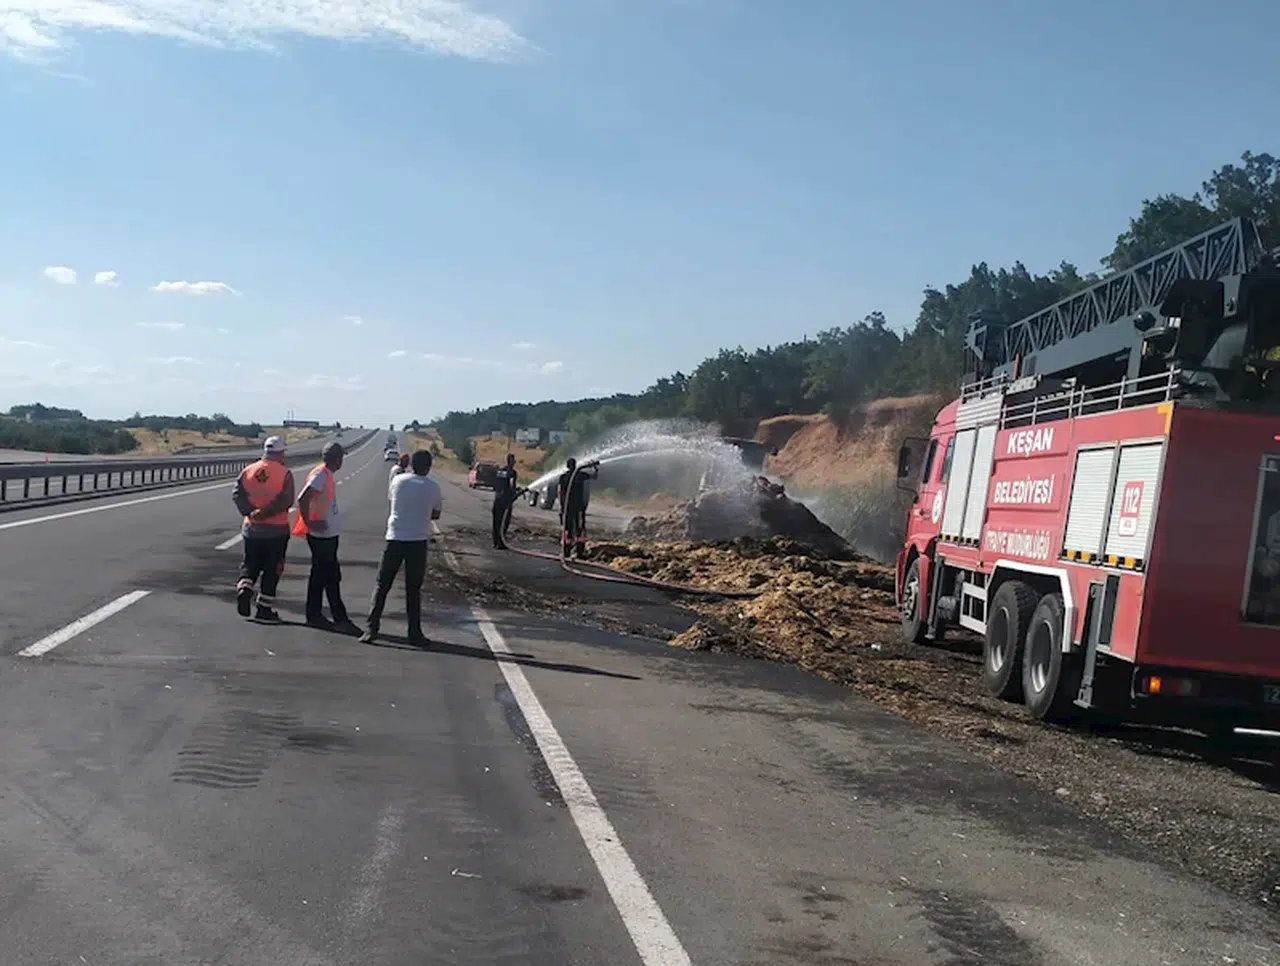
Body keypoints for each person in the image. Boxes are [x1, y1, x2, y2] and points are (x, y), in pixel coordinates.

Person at [361, 449, 443, 645]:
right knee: (413, 589)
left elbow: (393, 501)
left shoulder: (398, 480)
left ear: (412, 464)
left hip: (395, 538)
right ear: (428, 467)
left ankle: (371, 628)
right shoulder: (433, 487)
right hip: (417, 541)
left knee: (382, 585)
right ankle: (414, 633)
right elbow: (436, 514)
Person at [293, 441, 361, 634]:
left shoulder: (325, 474)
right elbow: (303, 498)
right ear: (336, 459)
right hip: (321, 535)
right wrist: (309, 522)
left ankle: (332, 616)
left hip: (327, 534)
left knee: (328, 575)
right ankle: (325, 616)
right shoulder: (321, 475)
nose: (342, 462)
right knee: (324, 575)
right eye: (341, 458)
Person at [232, 436, 297, 622]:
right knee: (272, 569)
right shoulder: (284, 473)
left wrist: (250, 512)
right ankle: (264, 608)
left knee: (250, 564)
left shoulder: (248, 470)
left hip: (252, 529)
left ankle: (245, 588)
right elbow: (286, 499)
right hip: (276, 530)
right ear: (281, 452)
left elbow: (237, 494)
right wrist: (266, 512)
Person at [557, 457, 599, 559]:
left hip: (567, 507)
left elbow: (559, 492)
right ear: (575, 465)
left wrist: (561, 506)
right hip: (578, 508)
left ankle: (566, 552)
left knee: (567, 529)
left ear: (567, 466)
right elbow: (594, 477)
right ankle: (579, 552)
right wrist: (595, 468)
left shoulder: (563, 477)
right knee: (579, 529)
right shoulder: (580, 475)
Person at [491, 453, 519, 549]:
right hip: (506, 502)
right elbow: (511, 484)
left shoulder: (500, 471)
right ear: (512, 462)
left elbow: (496, 484)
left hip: (497, 500)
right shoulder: (512, 472)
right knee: (504, 523)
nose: (514, 462)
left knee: (496, 522)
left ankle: (495, 542)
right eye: (514, 461)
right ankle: (501, 543)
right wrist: (514, 494)